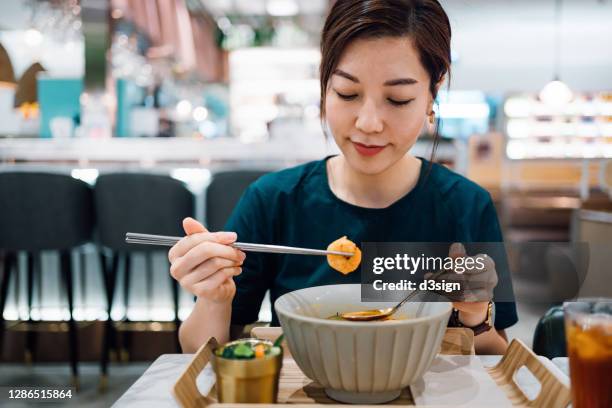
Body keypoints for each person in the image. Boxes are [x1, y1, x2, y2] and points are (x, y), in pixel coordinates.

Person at [169, 0, 517, 355]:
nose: (368, 123)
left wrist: (475, 318)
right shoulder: (274, 200)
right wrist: (213, 299)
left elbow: (496, 358)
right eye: (347, 93)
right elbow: (203, 353)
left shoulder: (466, 206)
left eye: (397, 99)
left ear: (433, 94)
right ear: (324, 85)